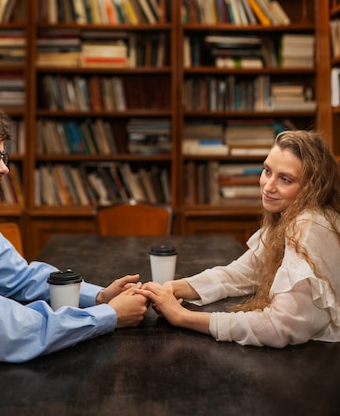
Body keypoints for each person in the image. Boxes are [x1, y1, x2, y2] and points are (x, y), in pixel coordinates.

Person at [0, 101, 148, 398]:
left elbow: (22, 279)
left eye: (2, 156)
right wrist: (107, 315)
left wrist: (98, 296)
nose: (3, 168)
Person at [141, 130, 340, 348]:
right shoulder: (290, 214)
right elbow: (242, 273)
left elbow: (278, 327)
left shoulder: (309, 225)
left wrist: (182, 317)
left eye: (285, 179)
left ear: (313, 187)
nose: (268, 186)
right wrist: (172, 288)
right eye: (267, 171)